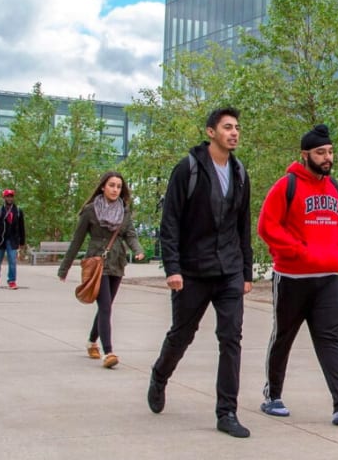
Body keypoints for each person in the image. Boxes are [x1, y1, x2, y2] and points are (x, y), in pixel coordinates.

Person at [147, 107, 254, 438]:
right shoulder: (188, 168)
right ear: (211, 132)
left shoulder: (239, 172)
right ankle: (160, 376)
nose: (234, 133)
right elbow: (170, 222)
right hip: (192, 271)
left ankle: (227, 413)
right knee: (182, 334)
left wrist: (247, 272)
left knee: (231, 338)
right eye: (227, 127)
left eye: (237, 127)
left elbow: (243, 226)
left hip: (230, 271)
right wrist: (173, 268)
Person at [256, 124, 338, 426]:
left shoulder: (335, 188)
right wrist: (297, 250)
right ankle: (272, 397)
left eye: (330, 152)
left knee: (331, 338)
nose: (327, 157)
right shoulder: (286, 185)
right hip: (292, 278)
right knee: (283, 337)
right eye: (321, 152)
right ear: (305, 154)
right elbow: (267, 227)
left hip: (327, 280)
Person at [58, 171, 145, 369]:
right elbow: (77, 240)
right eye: (112, 185)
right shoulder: (90, 210)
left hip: (117, 261)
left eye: (119, 186)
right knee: (105, 306)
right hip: (97, 261)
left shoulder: (124, 211)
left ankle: (91, 341)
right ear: (103, 187)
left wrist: (138, 250)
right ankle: (109, 352)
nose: (115, 189)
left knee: (106, 306)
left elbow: (130, 234)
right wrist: (65, 268)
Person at [0, 189, 26, 289]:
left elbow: (21, 227)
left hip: (12, 240)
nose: (9, 198)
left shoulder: (18, 211)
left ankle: (12, 281)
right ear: (4, 198)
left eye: (11, 196)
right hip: (0, 240)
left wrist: (22, 241)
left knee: (12, 261)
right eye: (7, 196)